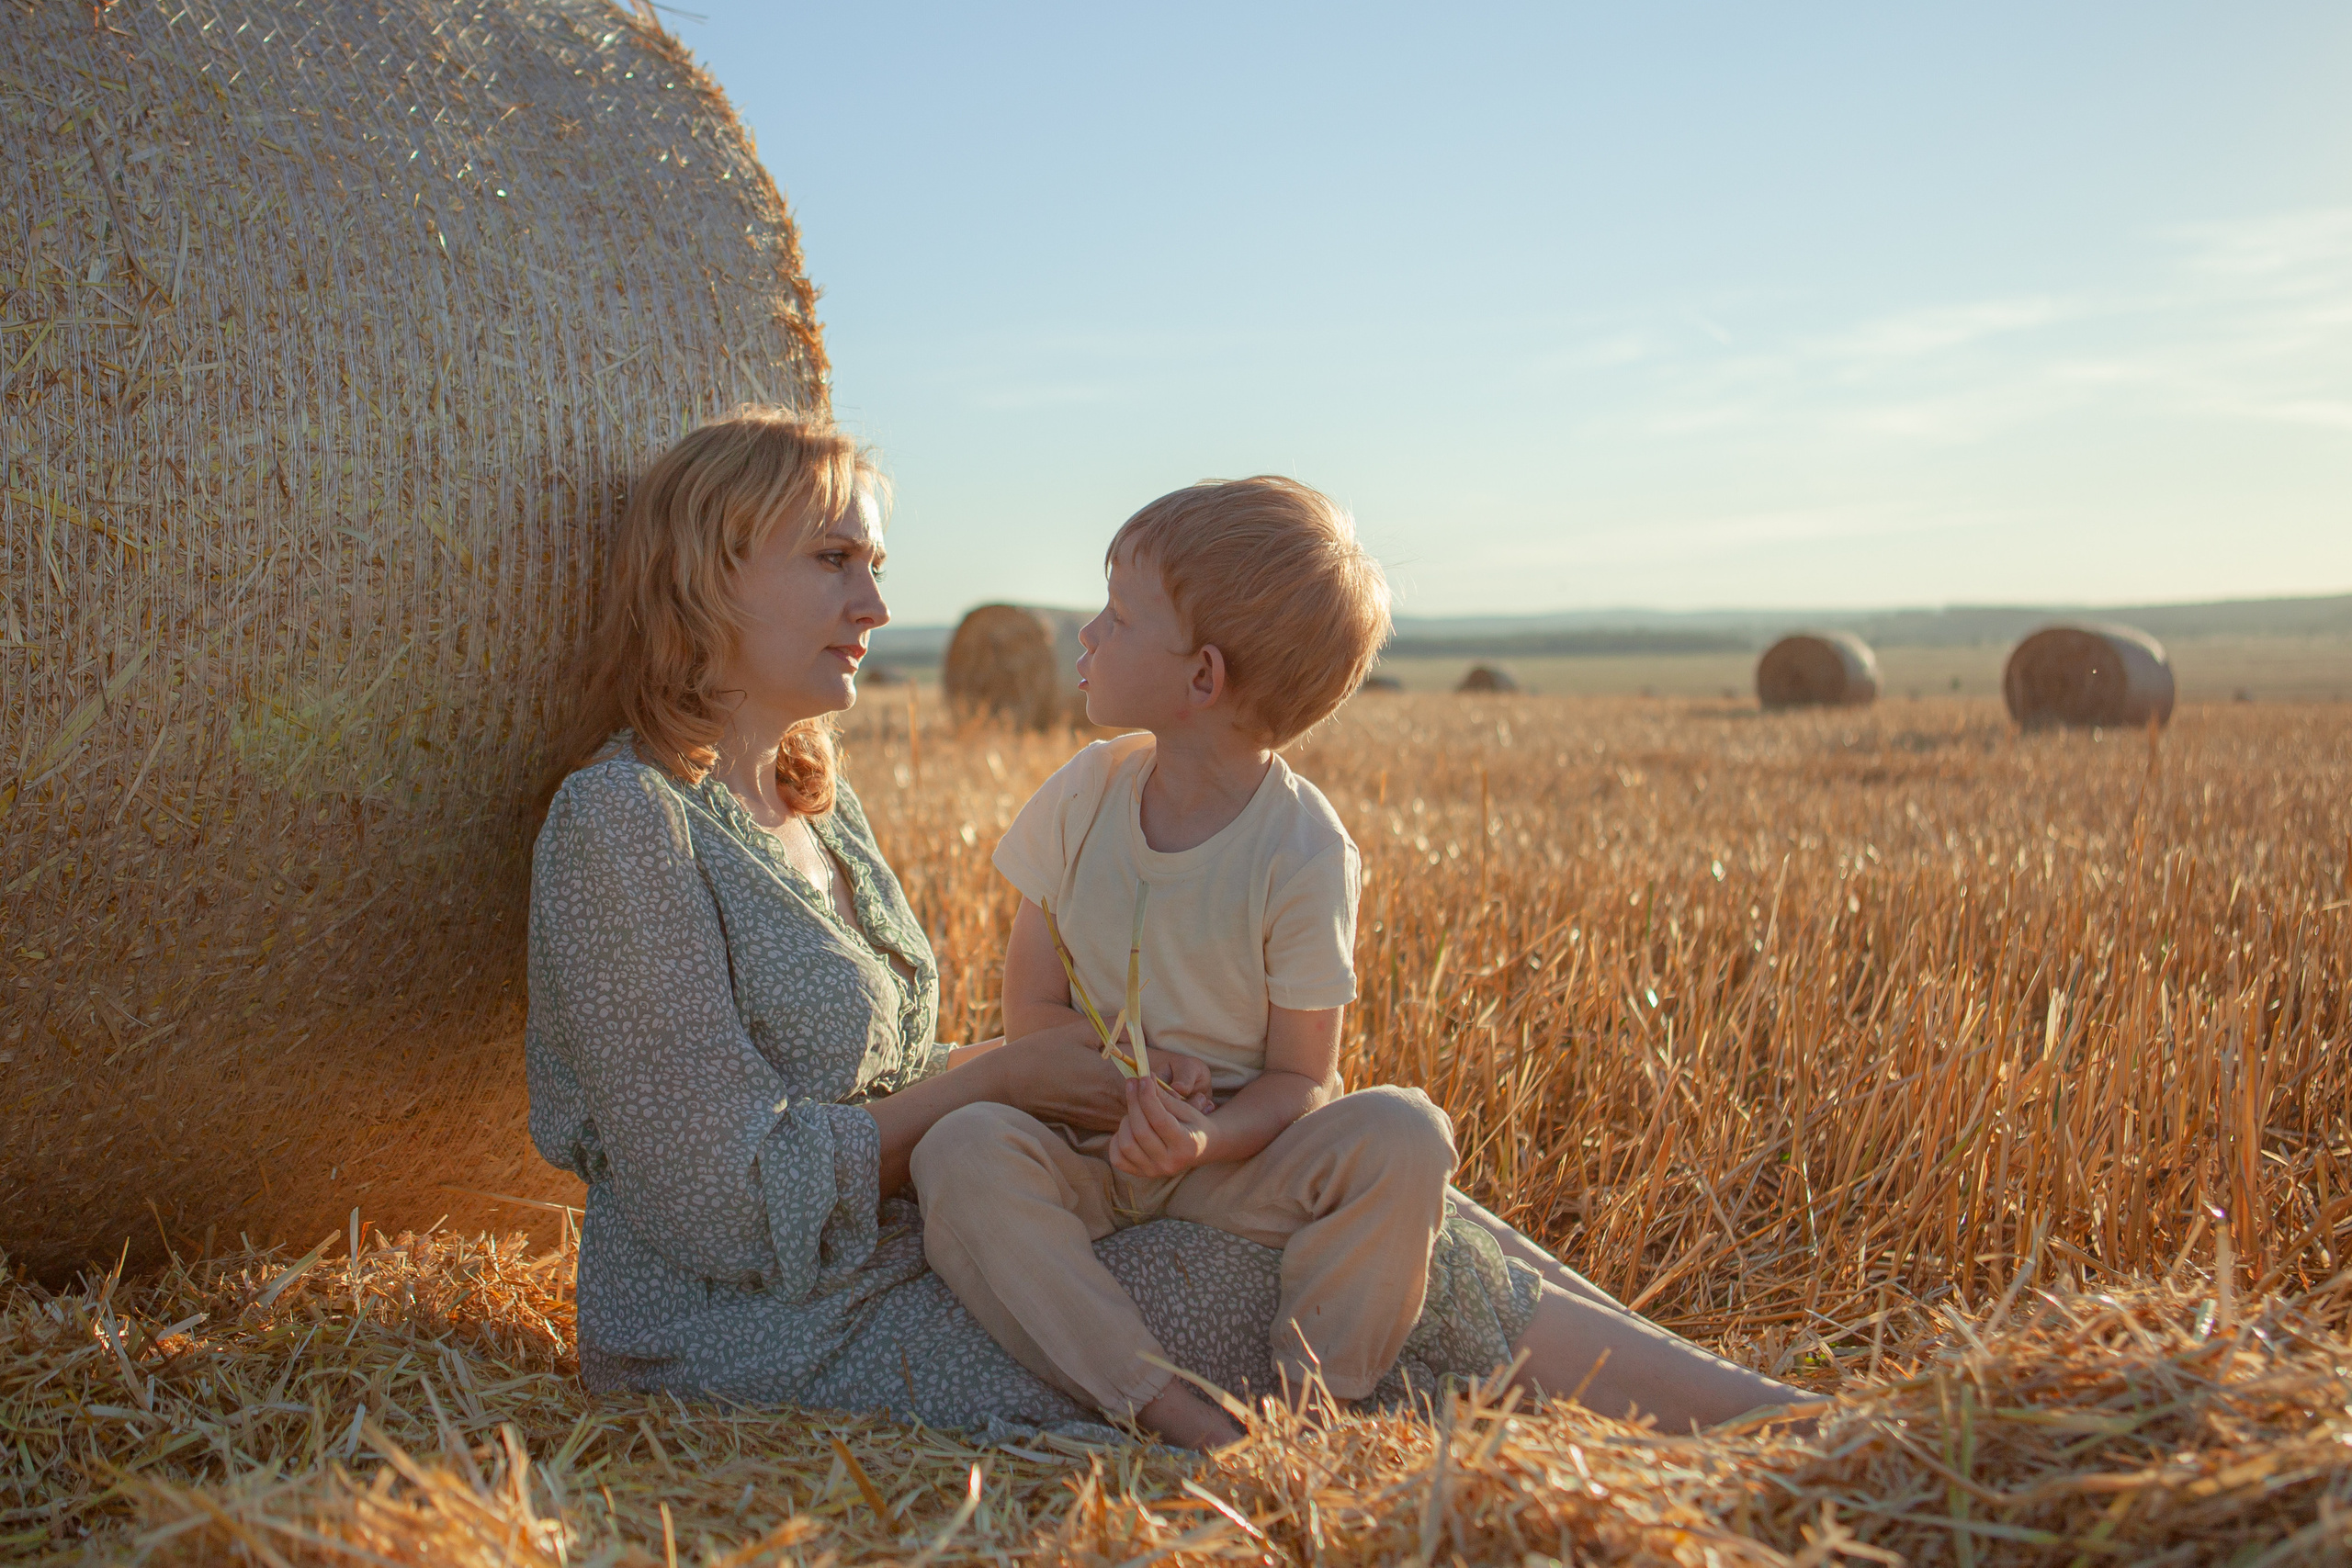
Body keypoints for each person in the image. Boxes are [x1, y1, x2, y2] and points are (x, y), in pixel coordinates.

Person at [523, 406, 1804, 1450]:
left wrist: (1096, 1085)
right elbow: (720, 1202)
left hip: (903, 1241)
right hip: (762, 1318)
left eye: (876, 565)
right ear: (709, 567)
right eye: (833, 559)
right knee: (1281, 1278)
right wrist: (1015, 1076)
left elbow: (888, 1093)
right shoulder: (624, 824)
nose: (875, 601)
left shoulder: (815, 800)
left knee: (1395, 1186)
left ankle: (1772, 1418)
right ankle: (1775, 1437)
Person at [912, 478, 1472, 1438]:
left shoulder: (1304, 851)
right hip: (1078, 1147)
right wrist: (1110, 1086)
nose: (1083, 636)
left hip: (1230, 1165)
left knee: (1405, 1134)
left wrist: (1202, 1137)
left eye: (1118, 618)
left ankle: (1314, 1415)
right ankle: (1167, 1407)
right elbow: (1031, 1014)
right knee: (957, 1149)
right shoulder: (1080, 797)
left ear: (1202, 678)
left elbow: (1303, 1079)